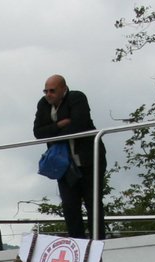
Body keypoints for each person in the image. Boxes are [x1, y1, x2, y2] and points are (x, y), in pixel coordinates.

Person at [33, 74, 102, 240]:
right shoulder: (43, 104)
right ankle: (77, 243)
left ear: (63, 89)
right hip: (63, 165)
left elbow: (79, 124)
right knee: (70, 206)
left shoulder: (77, 98)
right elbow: (38, 132)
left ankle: (98, 241)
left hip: (88, 160)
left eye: (52, 91)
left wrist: (53, 132)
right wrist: (59, 125)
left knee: (92, 202)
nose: (48, 94)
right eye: (46, 91)